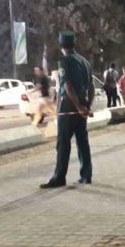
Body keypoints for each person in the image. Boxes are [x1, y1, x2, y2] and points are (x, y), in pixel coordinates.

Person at [40, 31, 94, 189]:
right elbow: (90, 86)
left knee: (63, 143)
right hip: (82, 106)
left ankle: (59, 177)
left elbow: (68, 86)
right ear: (74, 44)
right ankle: (86, 175)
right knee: (82, 141)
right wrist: (86, 106)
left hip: (68, 107)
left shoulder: (65, 61)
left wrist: (77, 107)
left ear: (61, 45)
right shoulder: (84, 61)